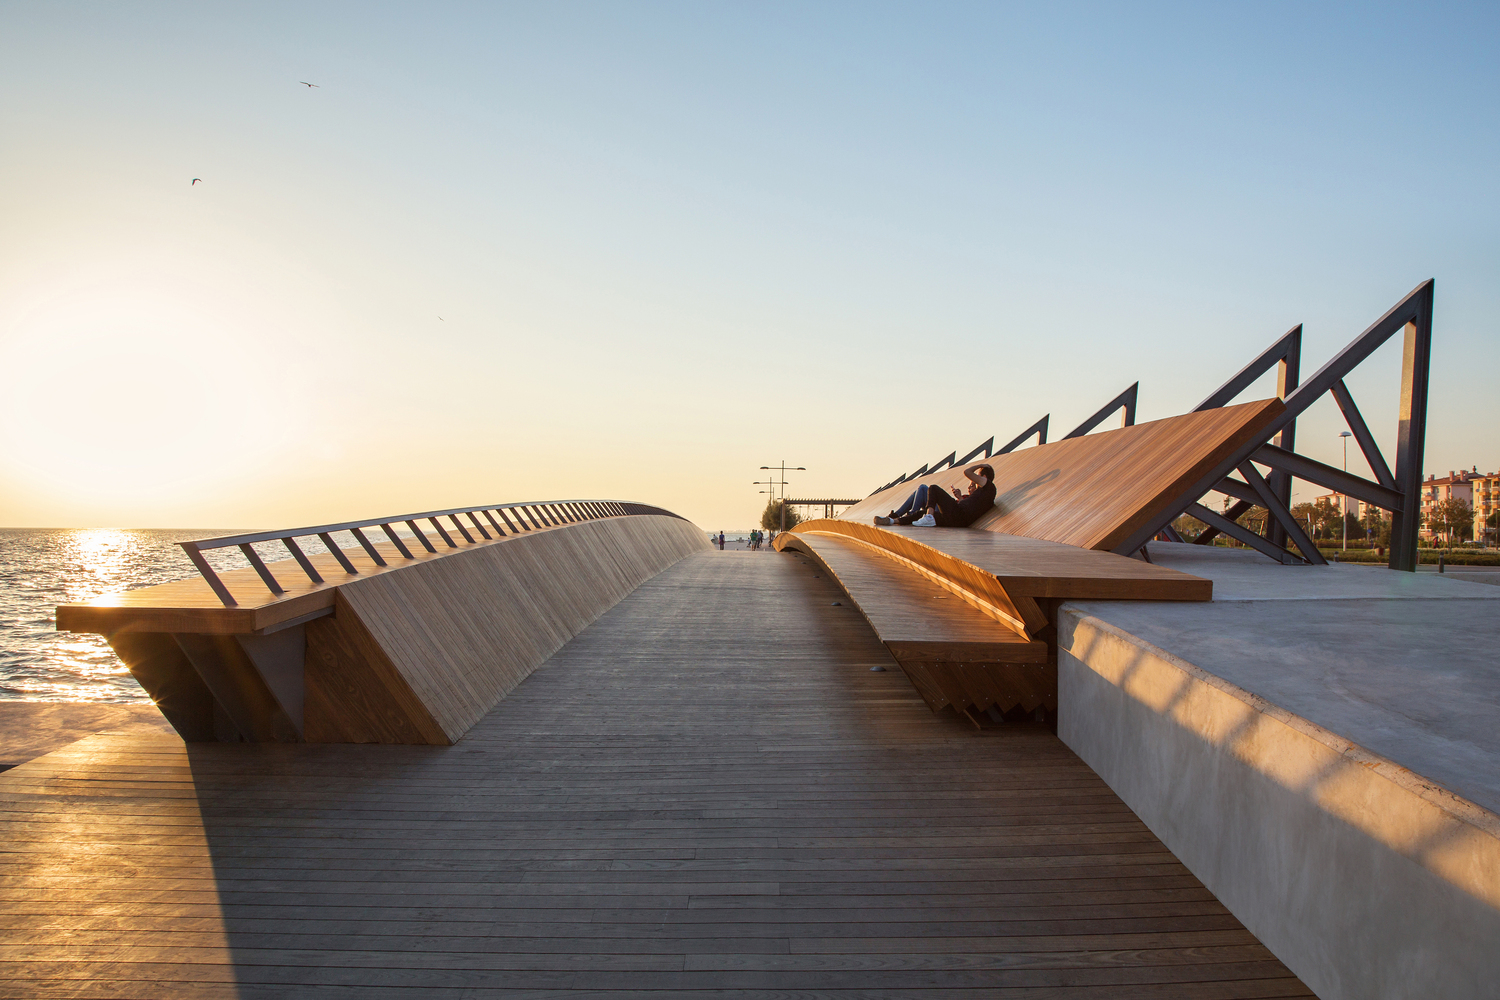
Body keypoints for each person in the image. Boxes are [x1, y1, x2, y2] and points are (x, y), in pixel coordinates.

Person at [875, 463, 996, 528]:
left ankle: (929, 517)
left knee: (933, 488)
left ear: (984, 477)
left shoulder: (989, 487)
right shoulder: (985, 495)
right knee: (920, 514)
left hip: (958, 514)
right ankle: (892, 521)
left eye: (979, 476)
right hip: (956, 520)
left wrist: (981, 465)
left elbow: (967, 472)